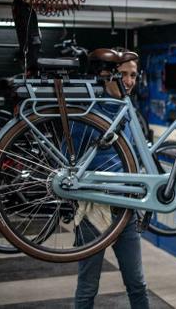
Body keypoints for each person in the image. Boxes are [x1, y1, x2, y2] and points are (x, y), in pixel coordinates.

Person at [75, 51, 149, 309]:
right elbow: (69, 158)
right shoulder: (88, 113)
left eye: (133, 75)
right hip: (93, 210)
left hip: (125, 210)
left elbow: (138, 157)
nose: (128, 81)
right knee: (87, 287)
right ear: (107, 75)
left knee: (137, 284)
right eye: (123, 74)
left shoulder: (129, 113)